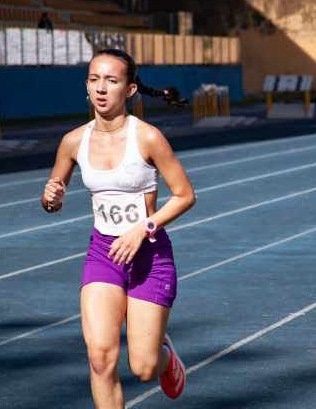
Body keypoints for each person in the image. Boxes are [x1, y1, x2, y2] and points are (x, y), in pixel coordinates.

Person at [41, 48, 195, 407]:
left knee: (143, 367)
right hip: (104, 253)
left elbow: (185, 195)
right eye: (94, 79)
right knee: (100, 358)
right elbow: (52, 200)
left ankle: (165, 357)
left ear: (130, 89)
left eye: (111, 80)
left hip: (149, 256)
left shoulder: (148, 138)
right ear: (86, 86)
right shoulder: (73, 141)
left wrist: (143, 228)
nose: (101, 88)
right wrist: (51, 198)